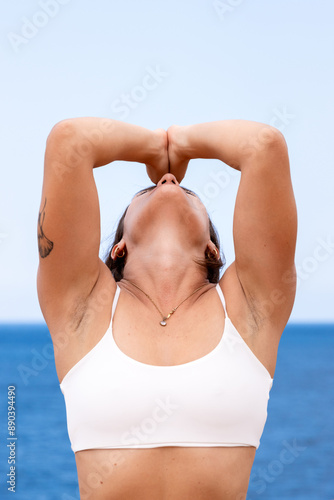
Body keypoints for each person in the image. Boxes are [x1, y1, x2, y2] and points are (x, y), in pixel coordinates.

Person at [37, 117, 297, 500]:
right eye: (149, 188)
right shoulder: (82, 309)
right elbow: (70, 140)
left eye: (187, 188)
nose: (168, 180)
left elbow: (263, 146)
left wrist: (180, 144)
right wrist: (156, 148)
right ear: (119, 246)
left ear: (213, 250)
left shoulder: (248, 308)